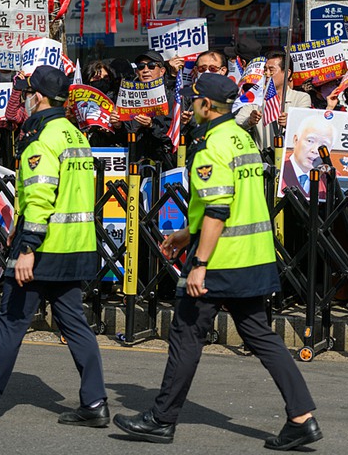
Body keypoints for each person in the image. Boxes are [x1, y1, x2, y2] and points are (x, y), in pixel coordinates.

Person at [112, 73, 321, 451]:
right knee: (259, 334)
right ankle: (301, 417)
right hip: (254, 256)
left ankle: (162, 418)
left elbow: (219, 208)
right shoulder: (241, 137)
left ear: (206, 106)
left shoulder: (212, 143)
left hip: (222, 258)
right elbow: (234, 203)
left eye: (194, 101)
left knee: (186, 333)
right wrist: (184, 235)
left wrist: (199, 262)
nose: (190, 107)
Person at [0, 65, 108, 426]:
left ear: (39, 97)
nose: (26, 98)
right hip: (75, 247)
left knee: (11, 322)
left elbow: (42, 194)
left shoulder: (43, 138)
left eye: (28, 92)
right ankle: (94, 404)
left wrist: (26, 245)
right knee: (75, 324)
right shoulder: (75, 135)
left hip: (43, 249)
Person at [235, 50, 312, 150]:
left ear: (287, 73)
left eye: (271, 70)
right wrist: (249, 121)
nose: (267, 74)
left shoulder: (301, 98)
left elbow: (307, 127)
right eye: (265, 70)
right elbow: (237, 122)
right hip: (264, 161)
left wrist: (291, 123)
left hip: (289, 160)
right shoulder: (255, 99)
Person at [280, 115, 335, 199]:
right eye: (310, 141)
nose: (315, 150)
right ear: (295, 140)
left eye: (324, 146)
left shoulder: (331, 177)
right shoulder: (279, 168)